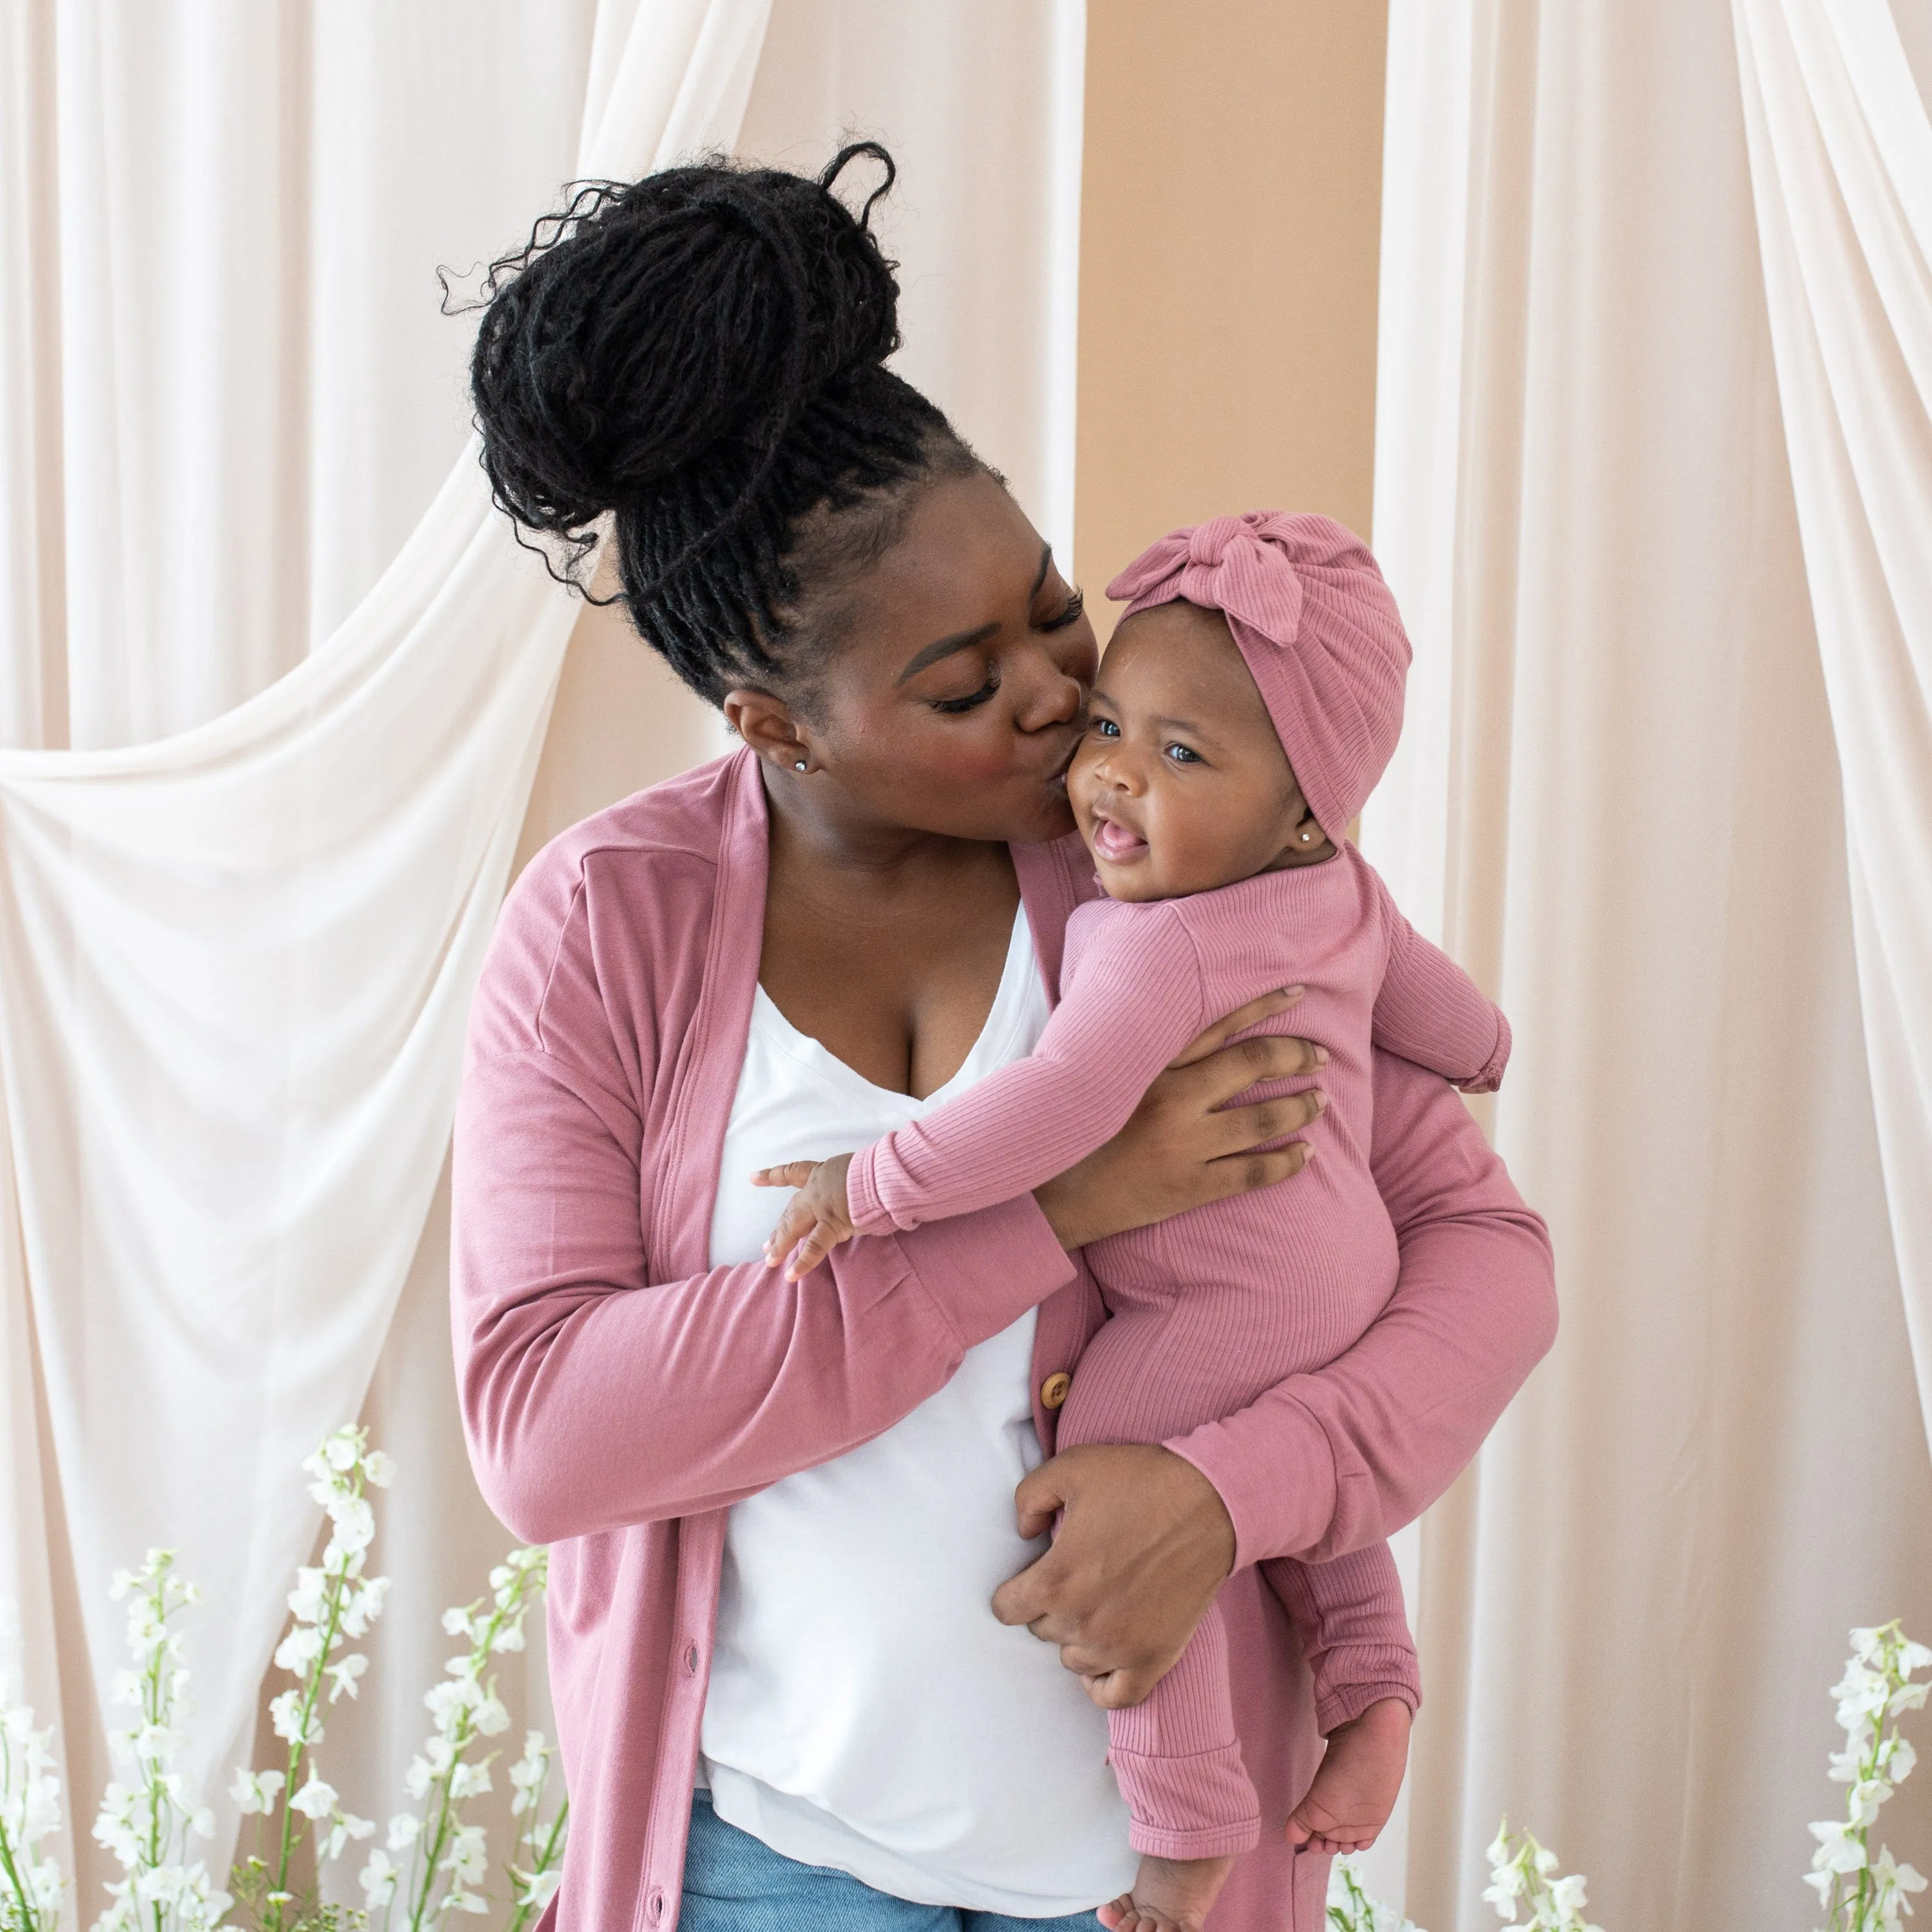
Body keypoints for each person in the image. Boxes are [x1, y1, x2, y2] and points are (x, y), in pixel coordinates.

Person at [450, 144, 1556, 1932]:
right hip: (771, 1865)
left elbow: (1488, 1255)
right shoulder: (606, 930)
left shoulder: (1165, 877)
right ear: (776, 722)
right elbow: (544, 1430)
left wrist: (1226, 1492)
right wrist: (1058, 1208)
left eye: (1054, 608)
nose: (1065, 698)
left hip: (1154, 1882)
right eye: (966, 686)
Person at [755, 509, 1511, 1932]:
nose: (1109, 774)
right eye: (1114, 725)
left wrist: (872, 1187)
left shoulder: (1159, 950)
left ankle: (1184, 1821)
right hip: (1339, 1266)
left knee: (1111, 1478)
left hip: (1216, 1301)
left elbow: (1057, 1107)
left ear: (1303, 808)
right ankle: (1374, 1687)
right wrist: (1487, 1055)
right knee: (1308, 1494)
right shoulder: (1343, 893)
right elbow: (1435, 1002)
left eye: (1182, 756)